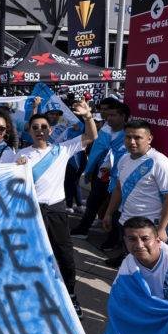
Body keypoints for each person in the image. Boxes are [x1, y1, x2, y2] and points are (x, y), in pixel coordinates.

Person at [6, 100, 97, 317]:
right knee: (30, 255)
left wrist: (88, 116)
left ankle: (71, 295)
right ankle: (32, 294)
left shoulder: (62, 149)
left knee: (64, 255)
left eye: (44, 127)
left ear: (51, 130)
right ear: (28, 131)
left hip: (56, 211)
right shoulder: (20, 155)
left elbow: (91, 137)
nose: (40, 131)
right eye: (35, 127)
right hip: (31, 212)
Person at [102, 120, 168, 268]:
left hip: (148, 226)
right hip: (126, 220)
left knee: (147, 264)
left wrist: (162, 228)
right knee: (130, 257)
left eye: (137, 137)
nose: (132, 142)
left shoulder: (161, 163)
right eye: (128, 137)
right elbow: (118, 188)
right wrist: (109, 213)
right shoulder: (124, 159)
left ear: (149, 138)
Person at [71, 99, 130, 237]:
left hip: (118, 177)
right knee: (93, 202)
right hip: (100, 174)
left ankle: (113, 237)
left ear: (123, 117)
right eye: (107, 115)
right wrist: (90, 170)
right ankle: (83, 229)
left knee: (114, 207)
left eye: (113, 115)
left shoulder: (129, 134)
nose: (108, 118)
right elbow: (95, 152)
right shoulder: (104, 130)